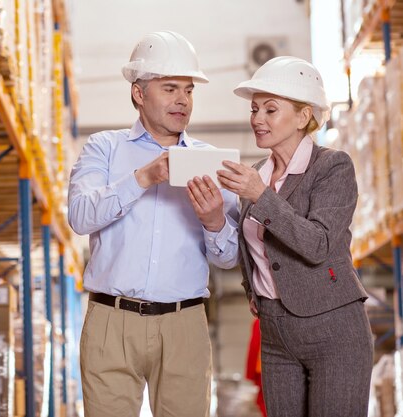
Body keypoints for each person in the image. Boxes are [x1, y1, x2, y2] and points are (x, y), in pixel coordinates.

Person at [68, 30, 239, 417]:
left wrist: (214, 222)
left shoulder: (213, 161)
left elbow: (229, 258)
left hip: (185, 324)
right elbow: (79, 216)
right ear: (138, 94)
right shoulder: (104, 148)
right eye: (170, 88)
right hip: (112, 321)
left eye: (189, 90)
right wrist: (142, 179)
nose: (182, 100)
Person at [217, 56, 373, 417]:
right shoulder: (256, 175)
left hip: (334, 332)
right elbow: (250, 246)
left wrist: (262, 196)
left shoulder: (331, 167)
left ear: (304, 117)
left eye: (271, 110)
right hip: (275, 335)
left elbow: (318, 243)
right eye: (255, 109)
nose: (257, 119)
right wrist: (252, 290)